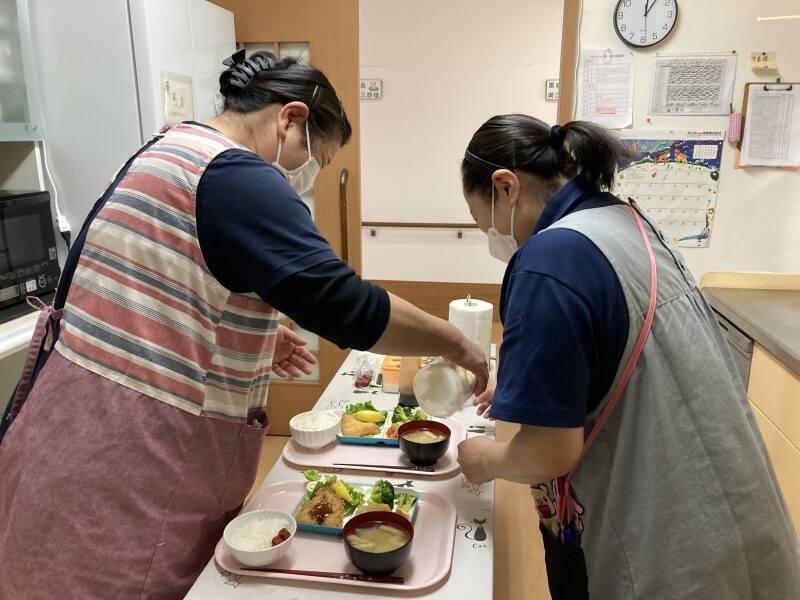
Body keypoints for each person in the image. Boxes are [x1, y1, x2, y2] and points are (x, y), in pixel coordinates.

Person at [0, 50, 487, 599]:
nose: (305, 174)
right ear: (290, 118)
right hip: (126, 457)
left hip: (63, 428)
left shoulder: (166, 148)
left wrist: (242, 328)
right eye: (312, 156)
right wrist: (457, 343)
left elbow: (156, 283)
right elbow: (344, 304)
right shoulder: (237, 175)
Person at [454, 114, 800, 599]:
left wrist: (484, 459)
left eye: (480, 220)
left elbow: (549, 452)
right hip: (745, 530)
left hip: (668, 561)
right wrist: (526, 390)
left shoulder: (547, 262)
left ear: (505, 187)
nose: (489, 235)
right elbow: (617, 358)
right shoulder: (628, 223)